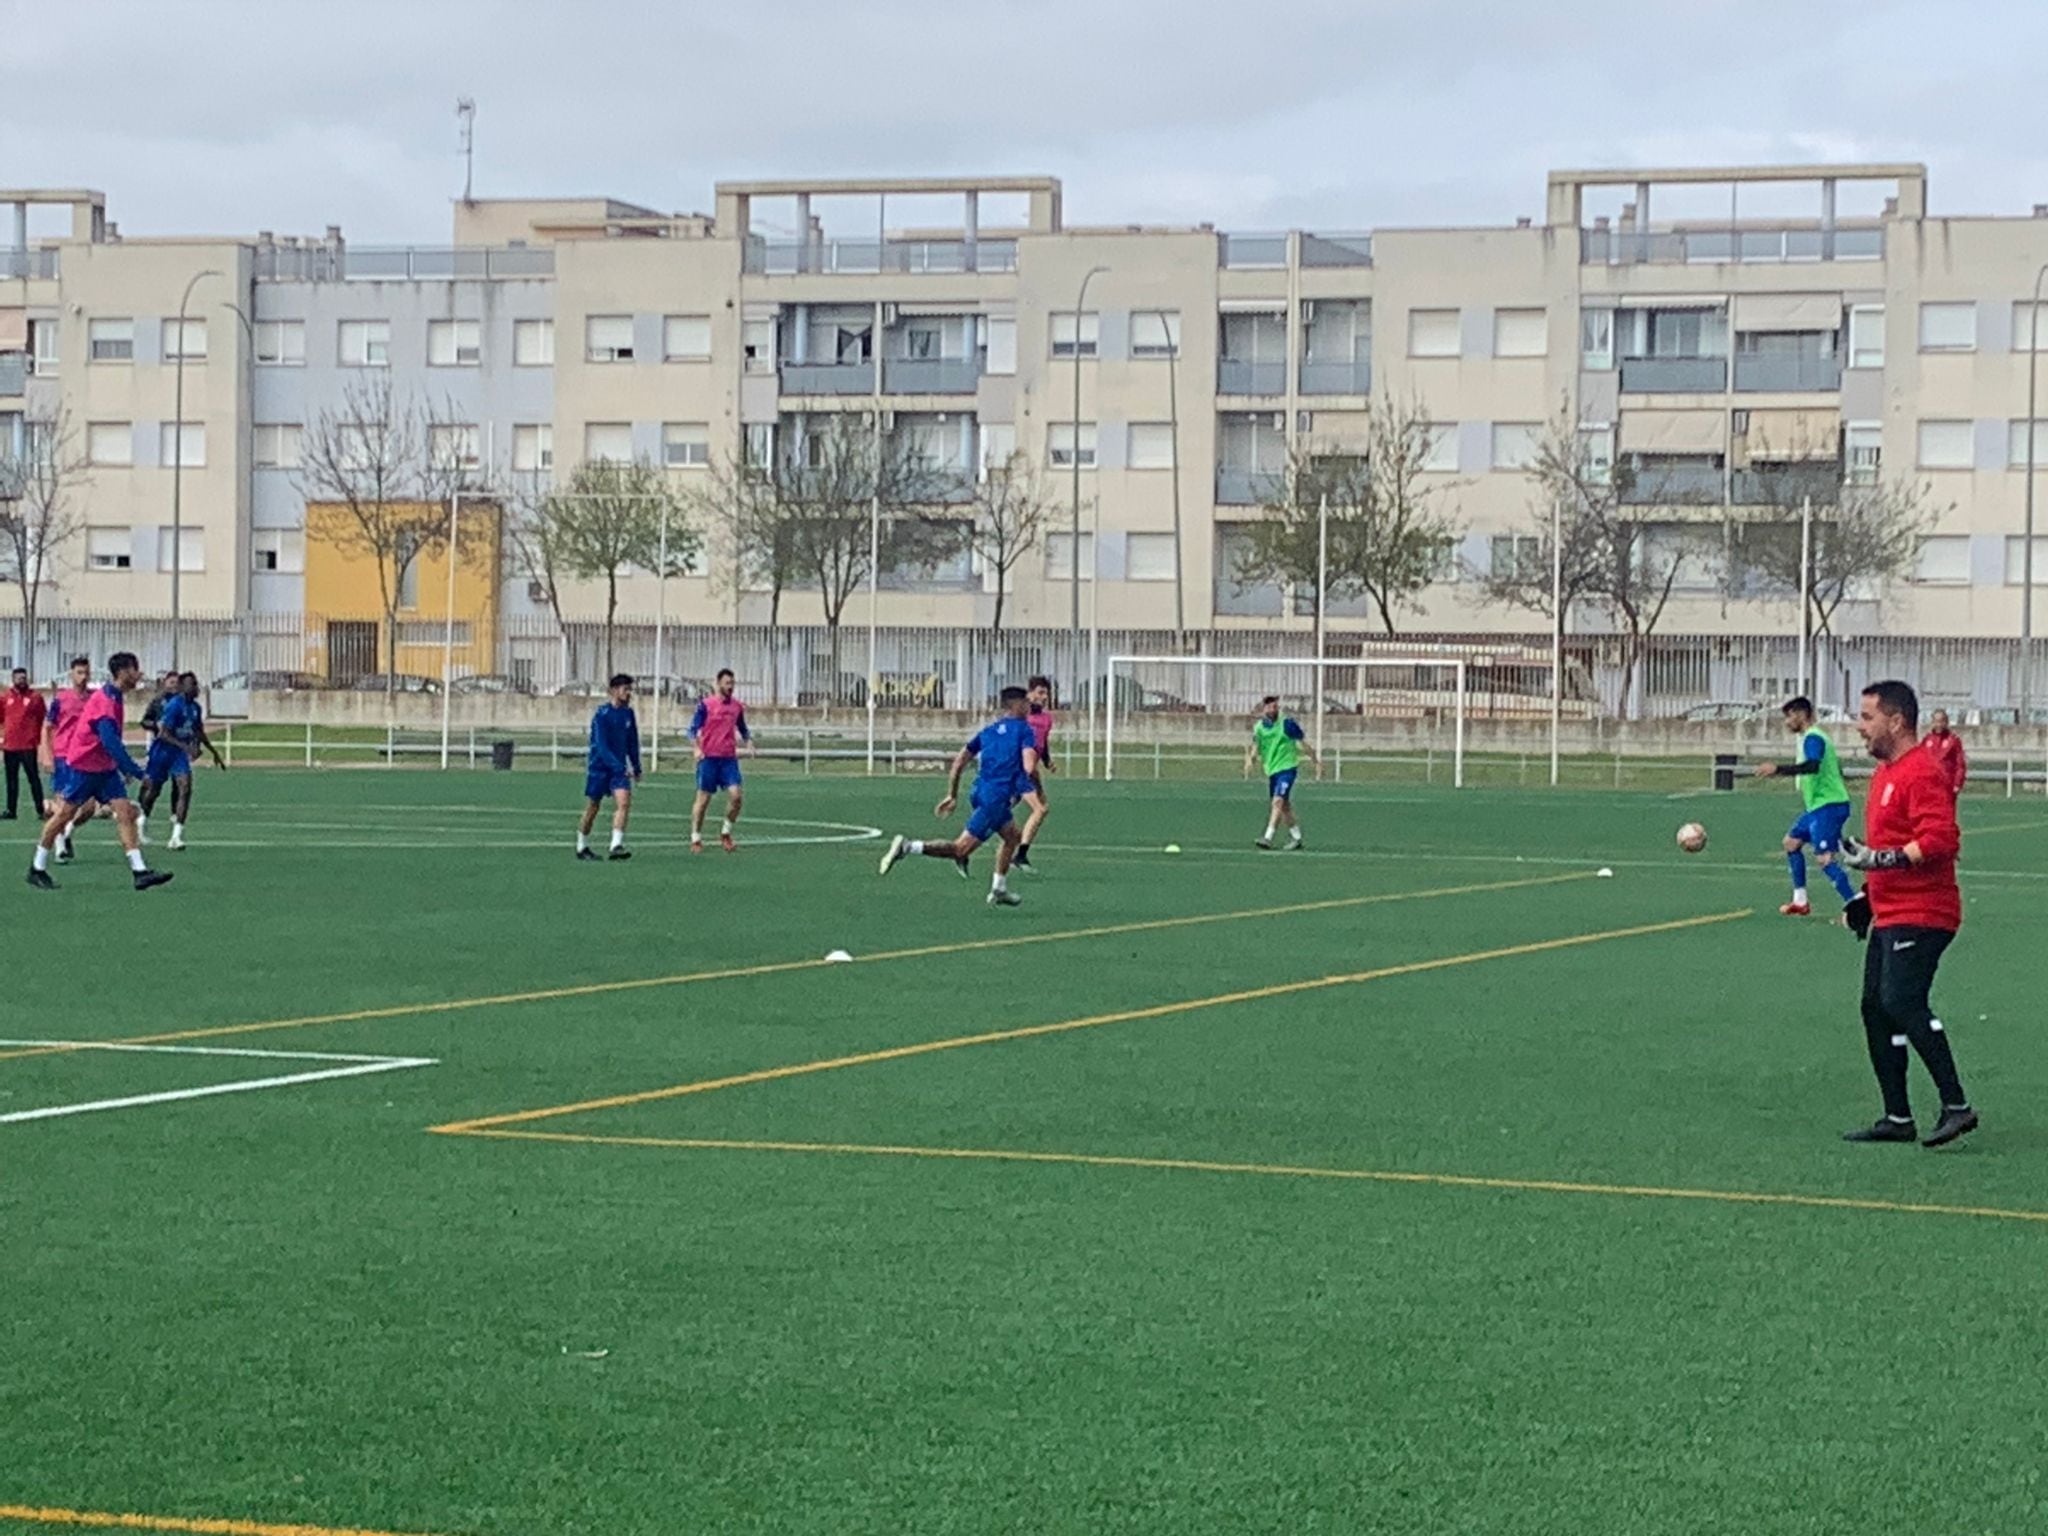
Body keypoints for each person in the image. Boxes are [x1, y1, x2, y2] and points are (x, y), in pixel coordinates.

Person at [1836, 679, 1976, 1148]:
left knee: (1901, 1001)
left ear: (1896, 721)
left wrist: (1879, 861)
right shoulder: (1885, 774)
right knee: (1876, 1007)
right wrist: (1865, 897)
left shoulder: (1922, 771)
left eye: (1867, 717)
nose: (1860, 727)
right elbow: (1887, 845)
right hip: (1892, 910)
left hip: (1925, 911)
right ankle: (1897, 1117)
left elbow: (1940, 841)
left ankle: (1956, 1105)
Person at [877, 685, 1039, 907]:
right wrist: (1022, 785)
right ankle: (908, 846)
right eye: (1027, 702)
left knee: (1012, 836)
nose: (1030, 706)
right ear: (1017, 705)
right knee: (960, 849)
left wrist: (952, 794)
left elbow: (960, 760)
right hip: (997, 797)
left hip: (980, 791)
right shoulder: (1024, 730)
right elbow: (1029, 766)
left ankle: (999, 888)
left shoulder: (988, 731)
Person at [25, 651, 173, 892]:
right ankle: (37, 867)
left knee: (125, 813)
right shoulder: (105, 702)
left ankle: (140, 871)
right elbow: (110, 742)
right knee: (64, 815)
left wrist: (121, 768)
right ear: (124, 672)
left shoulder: (113, 696)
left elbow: (109, 745)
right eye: (136, 670)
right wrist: (135, 770)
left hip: (103, 768)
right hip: (84, 767)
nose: (139, 674)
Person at [1754, 696, 1857, 917]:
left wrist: (1778, 769)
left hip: (1828, 806)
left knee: (1825, 859)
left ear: (1801, 714)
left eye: (1790, 716)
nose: (1787, 722)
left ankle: (1856, 904)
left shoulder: (1813, 738)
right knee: (1791, 843)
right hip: (1819, 807)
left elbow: (1812, 766)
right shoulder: (1809, 738)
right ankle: (1800, 901)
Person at [137, 673, 225, 851]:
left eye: (196, 684)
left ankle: (176, 837)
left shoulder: (195, 708)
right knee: (153, 791)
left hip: (178, 754)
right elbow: (163, 733)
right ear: (184, 687)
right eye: (192, 684)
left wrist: (214, 752)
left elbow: (198, 730)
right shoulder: (174, 705)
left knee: (185, 787)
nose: (196, 688)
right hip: (162, 752)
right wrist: (187, 747)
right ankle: (140, 821)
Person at [576, 673, 640, 862]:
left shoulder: (628, 714)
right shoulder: (602, 715)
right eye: (625, 689)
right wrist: (619, 765)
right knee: (593, 807)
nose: (628, 693)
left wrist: (636, 766)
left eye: (630, 689)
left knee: (624, 801)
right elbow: (601, 747)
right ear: (614, 691)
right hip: (599, 768)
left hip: (618, 770)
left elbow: (632, 742)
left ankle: (616, 845)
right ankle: (582, 845)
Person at [1244, 695, 1321, 849]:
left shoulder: (1287, 724)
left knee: (1277, 801)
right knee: (1284, 806)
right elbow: (1255, 745)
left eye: (1276, 707)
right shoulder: (1259, 727)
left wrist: (1315, 761)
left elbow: (1302, 744)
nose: (1274, 709)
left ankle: (1268, 837)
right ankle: (1297, 837)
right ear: (1264, 708)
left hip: (1287, 768)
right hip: (1272, 770)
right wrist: (1250, 760)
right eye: (1271, 707)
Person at [42, 656, 99, 863]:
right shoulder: (61, 699)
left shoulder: (94, 699)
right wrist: (47, 755)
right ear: (71, 674)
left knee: (89, 807)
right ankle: (59, 848)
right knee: (63, 802)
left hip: (87, 756)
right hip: (64, 755)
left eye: (86, 673)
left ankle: (66, 832)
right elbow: (48, 727)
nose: (83, 677)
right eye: (79, 673)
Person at [688, 668, 751, 853]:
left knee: (736, 796)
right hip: (708, 759)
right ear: (718, 684)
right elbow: (691, 730)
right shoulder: (706, 705)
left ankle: (725, 833)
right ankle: (696, 837)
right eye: (727, 683)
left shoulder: (737, 707)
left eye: (732, 683)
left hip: (728, 760)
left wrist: (748, 741)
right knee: (703, 800)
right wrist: (697, 748)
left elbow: (742, 727)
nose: (730, 687)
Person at [1012, 675, 1057, 872]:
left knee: (1042, 809)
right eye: (1040, 692)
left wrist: (1047, 762)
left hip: (1033, 770)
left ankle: (1020, 856)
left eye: (1046, 693)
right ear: (1030, 693)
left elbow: (1043, 743)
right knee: (1039, 809)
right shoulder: (1022, 716)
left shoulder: (1047, 719)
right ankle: (1019, 856)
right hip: (1020, 770)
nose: (1044, 697)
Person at [2, 666, 48, 822]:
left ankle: (41, 809)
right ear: (13, 679)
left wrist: (36, 737)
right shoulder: (6, 697)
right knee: (11, 779)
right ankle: (11, 809)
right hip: (10, 746)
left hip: (28, 745)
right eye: (18, 678)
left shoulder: (35, 697)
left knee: (33, 777)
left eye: (24, 677)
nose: (21, 680)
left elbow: (42, 716)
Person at [1921, 708, 1967, 797]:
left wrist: (1957, 784)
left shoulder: (1953, 740)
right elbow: (1921, 762)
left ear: (1946, 722)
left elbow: (1960, 764)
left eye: (1941, 721)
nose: (1939, 724)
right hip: (1929, 785)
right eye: (1936, 721)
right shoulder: (1927, 740)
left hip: (1947, 786)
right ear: (1932, 722)